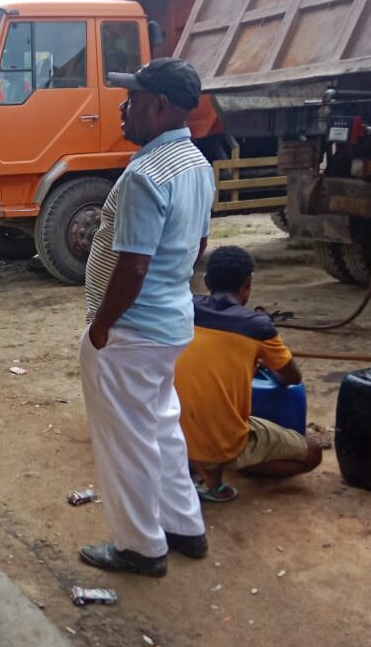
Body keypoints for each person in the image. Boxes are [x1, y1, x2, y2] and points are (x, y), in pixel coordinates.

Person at [78, 58, 214, 577]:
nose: (123, 108)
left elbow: (134, 265)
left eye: (133, 100)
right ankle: (185, 527)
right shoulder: (195, 163)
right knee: (160, 430)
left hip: (131, 332)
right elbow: (198, 243)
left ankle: (140, 546)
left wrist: (101, 327)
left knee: (128, 441)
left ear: (160, 107)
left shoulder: (145, 174)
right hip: (170, 323)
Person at [175, 246, 322, 502]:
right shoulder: (258, 327)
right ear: (248, 284)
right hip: (223, 442)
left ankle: (195, 469)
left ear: (207, 281)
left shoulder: (183, 308)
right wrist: (262, 360)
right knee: (312, 452)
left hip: (171, 435)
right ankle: (218, 475)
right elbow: (291, 378)